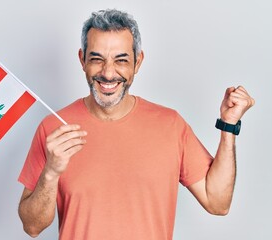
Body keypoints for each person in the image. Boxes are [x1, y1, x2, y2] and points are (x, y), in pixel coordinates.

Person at [17, 9, 255, 239]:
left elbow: (218, 203)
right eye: (97, 59)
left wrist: (229, 126)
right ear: (82, 60)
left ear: (137, 62)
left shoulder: (170, 125)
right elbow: (32, 227)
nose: (108, 73)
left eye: (121, 60)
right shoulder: (54, 129)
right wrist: (50, 173)